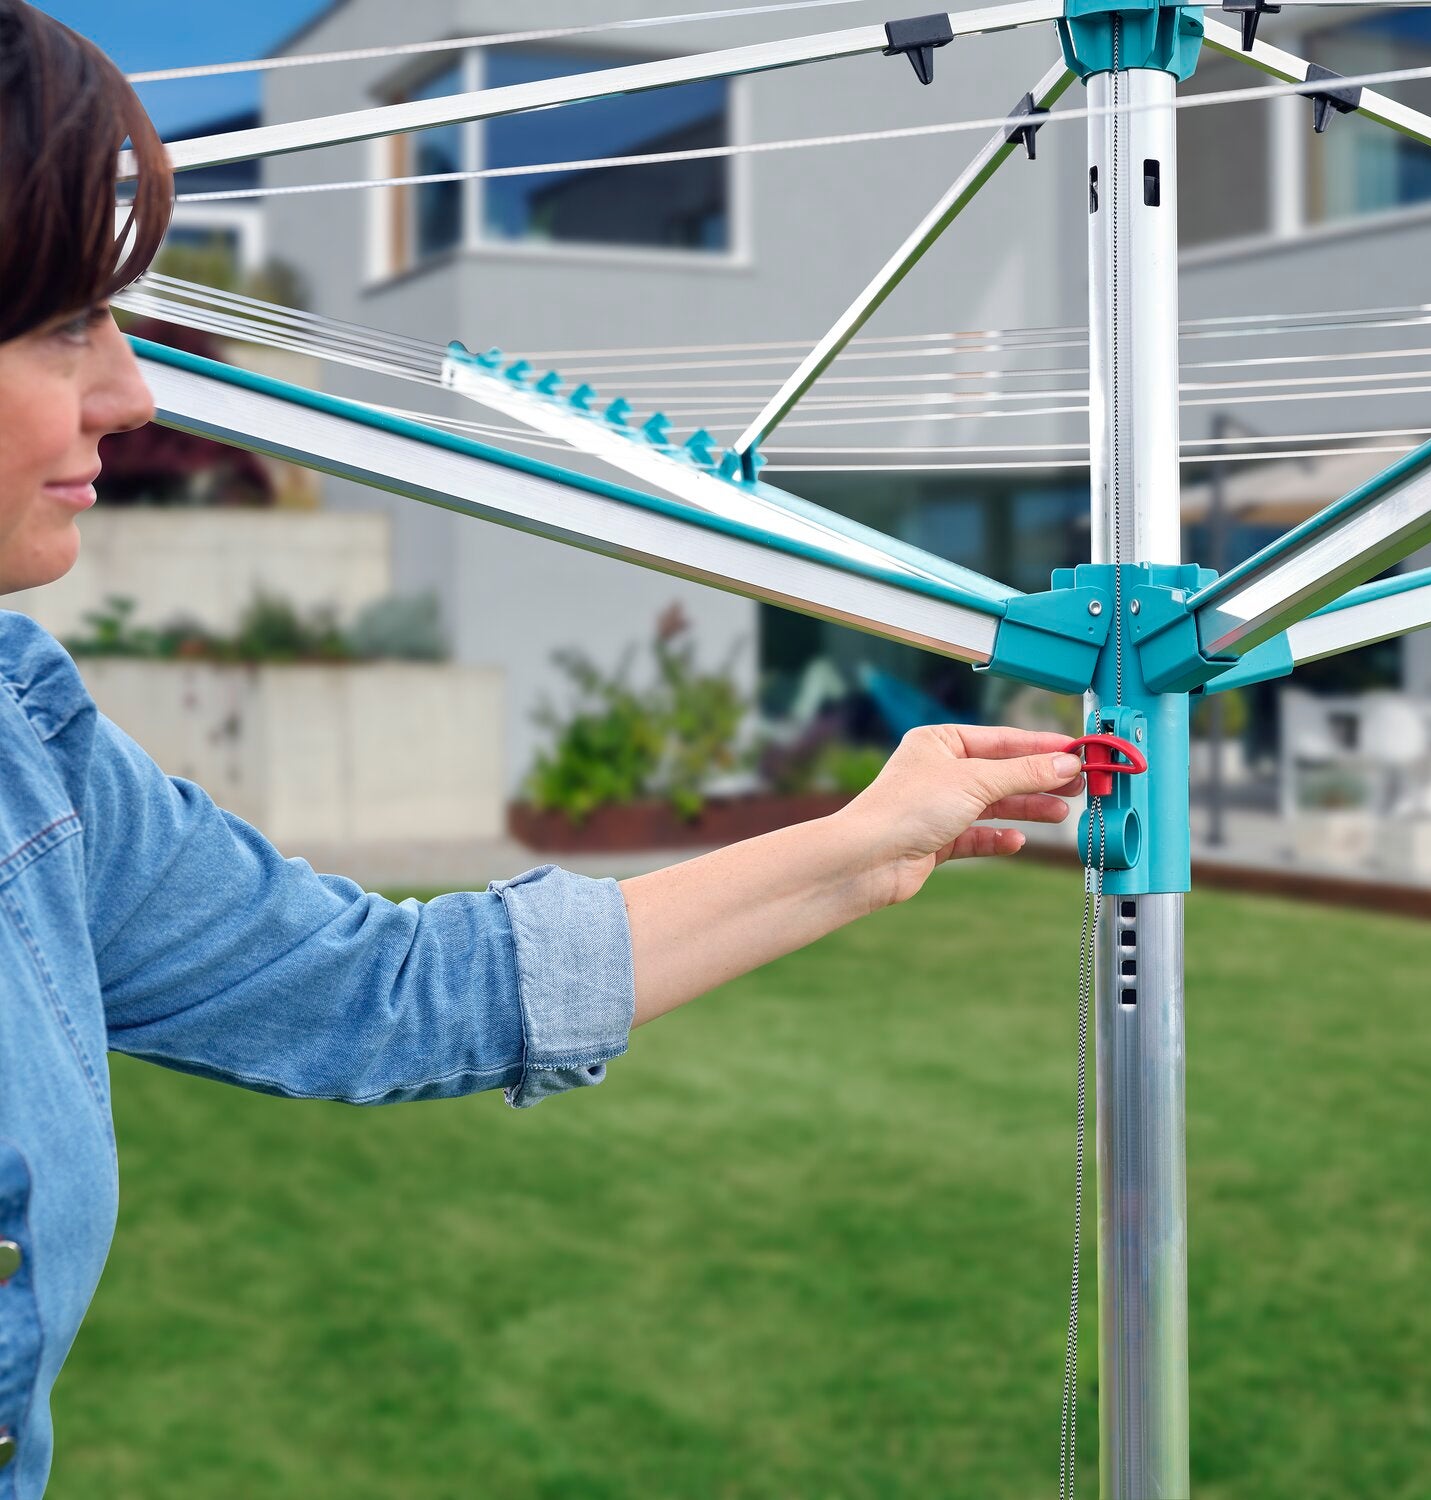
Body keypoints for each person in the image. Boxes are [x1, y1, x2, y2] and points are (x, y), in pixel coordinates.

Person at [0, 5, 1085, 1494]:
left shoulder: (29, 749)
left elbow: (382, 993)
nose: (132, 392)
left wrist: (864, 844)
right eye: (69, 321)